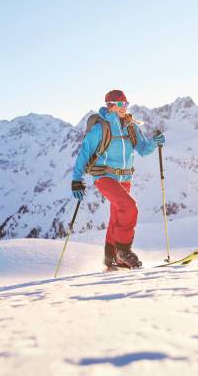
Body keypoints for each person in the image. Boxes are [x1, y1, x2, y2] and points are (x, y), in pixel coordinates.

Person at [71, 89, 165, 270]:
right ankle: (123, 250)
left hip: (125, 177)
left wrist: (154, 141)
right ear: (110, 106)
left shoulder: (130, 126)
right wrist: (76, 179)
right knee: (128, 207)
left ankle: (111, 258)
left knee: (117, 216)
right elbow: (84, 153)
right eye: (121, 104)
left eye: (126, 104)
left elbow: (144, 149)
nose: (124, 107)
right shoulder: (101, 128)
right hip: (104, 176)